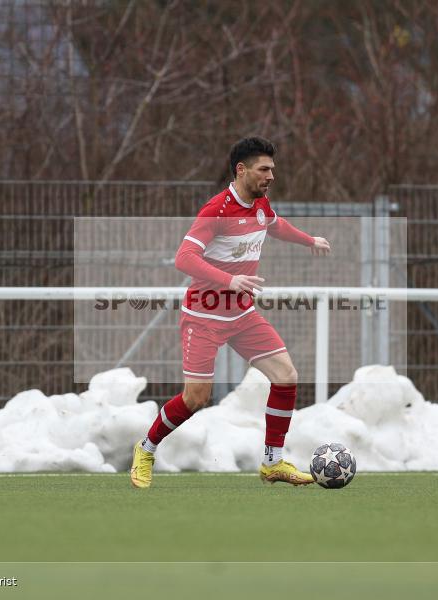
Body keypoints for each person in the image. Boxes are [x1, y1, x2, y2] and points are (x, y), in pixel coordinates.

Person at [130, 136, 331, 488]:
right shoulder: (216, 211)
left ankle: (272, 463)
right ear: (241, 170)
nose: (271, 176)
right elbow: (184, 258)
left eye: (273, 169)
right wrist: (229, 279)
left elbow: (275, 224)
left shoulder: (260, 205)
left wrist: (309, 240)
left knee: (286, 376)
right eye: (264, 169)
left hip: (241, 315)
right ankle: (146, 449)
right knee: (196, 398)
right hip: (203, 317)